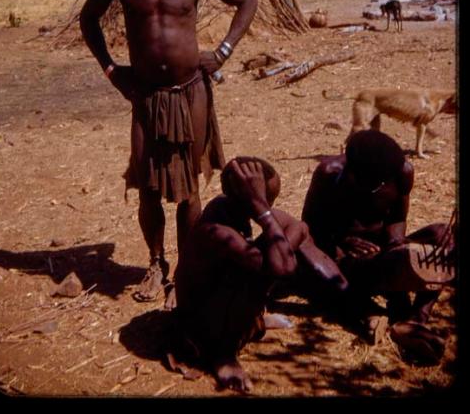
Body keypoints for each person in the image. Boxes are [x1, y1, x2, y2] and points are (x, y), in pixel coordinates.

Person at [79, 0, 258, 306]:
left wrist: (224, 51)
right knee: (147, 185)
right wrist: (111, 70)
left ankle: (186, 267)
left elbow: (246, 0)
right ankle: (156, 263)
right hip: (145, 96)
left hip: (190, 92)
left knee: (190, 187)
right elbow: (88, 19)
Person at [173, 156, 350, 392]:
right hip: (200, 325)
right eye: (265, 200)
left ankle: (346, 296)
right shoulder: (217, 231)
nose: (270, 205)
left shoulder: (232, 208)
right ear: (248, 198)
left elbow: (295, 227)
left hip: (219, 306)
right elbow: (281, 267)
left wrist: (287, 226)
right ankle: (222, 356)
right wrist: (263, 211)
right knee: (266, 267)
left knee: (295, 230)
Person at [300, 129, 455, 364]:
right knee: (313, 262)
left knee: (443, 234)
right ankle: (376, 304)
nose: (378, 186)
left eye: (381, 182)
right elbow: (309, 229)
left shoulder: (402, 172)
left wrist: (395, 242)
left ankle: (417, 319)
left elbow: (397, 218)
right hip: (347, 258)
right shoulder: (329, 174)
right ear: (352, 171)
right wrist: (342, 240)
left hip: (385, 249)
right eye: (371, 182)